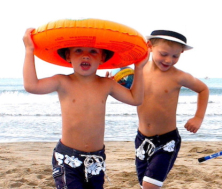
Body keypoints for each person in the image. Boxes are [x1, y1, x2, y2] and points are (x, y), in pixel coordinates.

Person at [23, 28, 148, 189]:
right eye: (78, 50)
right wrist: (29, 50)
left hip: (96, 159)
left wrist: (139, 68)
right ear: (68, 55)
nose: (86, 55)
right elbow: (31, 86)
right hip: (67, 157)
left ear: (103, 57)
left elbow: (135, 99)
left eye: (93, 51)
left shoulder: (106, 84)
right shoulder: (62, 81)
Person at [134, 30, 209, 189]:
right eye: (164, 54)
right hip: (142, 139)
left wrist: (198, 117)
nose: (169, 60)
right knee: (144, 184)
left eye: (175, 56)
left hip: (167, 140)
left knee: (149, 185)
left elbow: (203, 89)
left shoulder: (178, 76)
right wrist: (116, 84)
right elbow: (129, 96)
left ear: (181, 52)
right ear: (150, 47)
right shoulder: (137, 72)